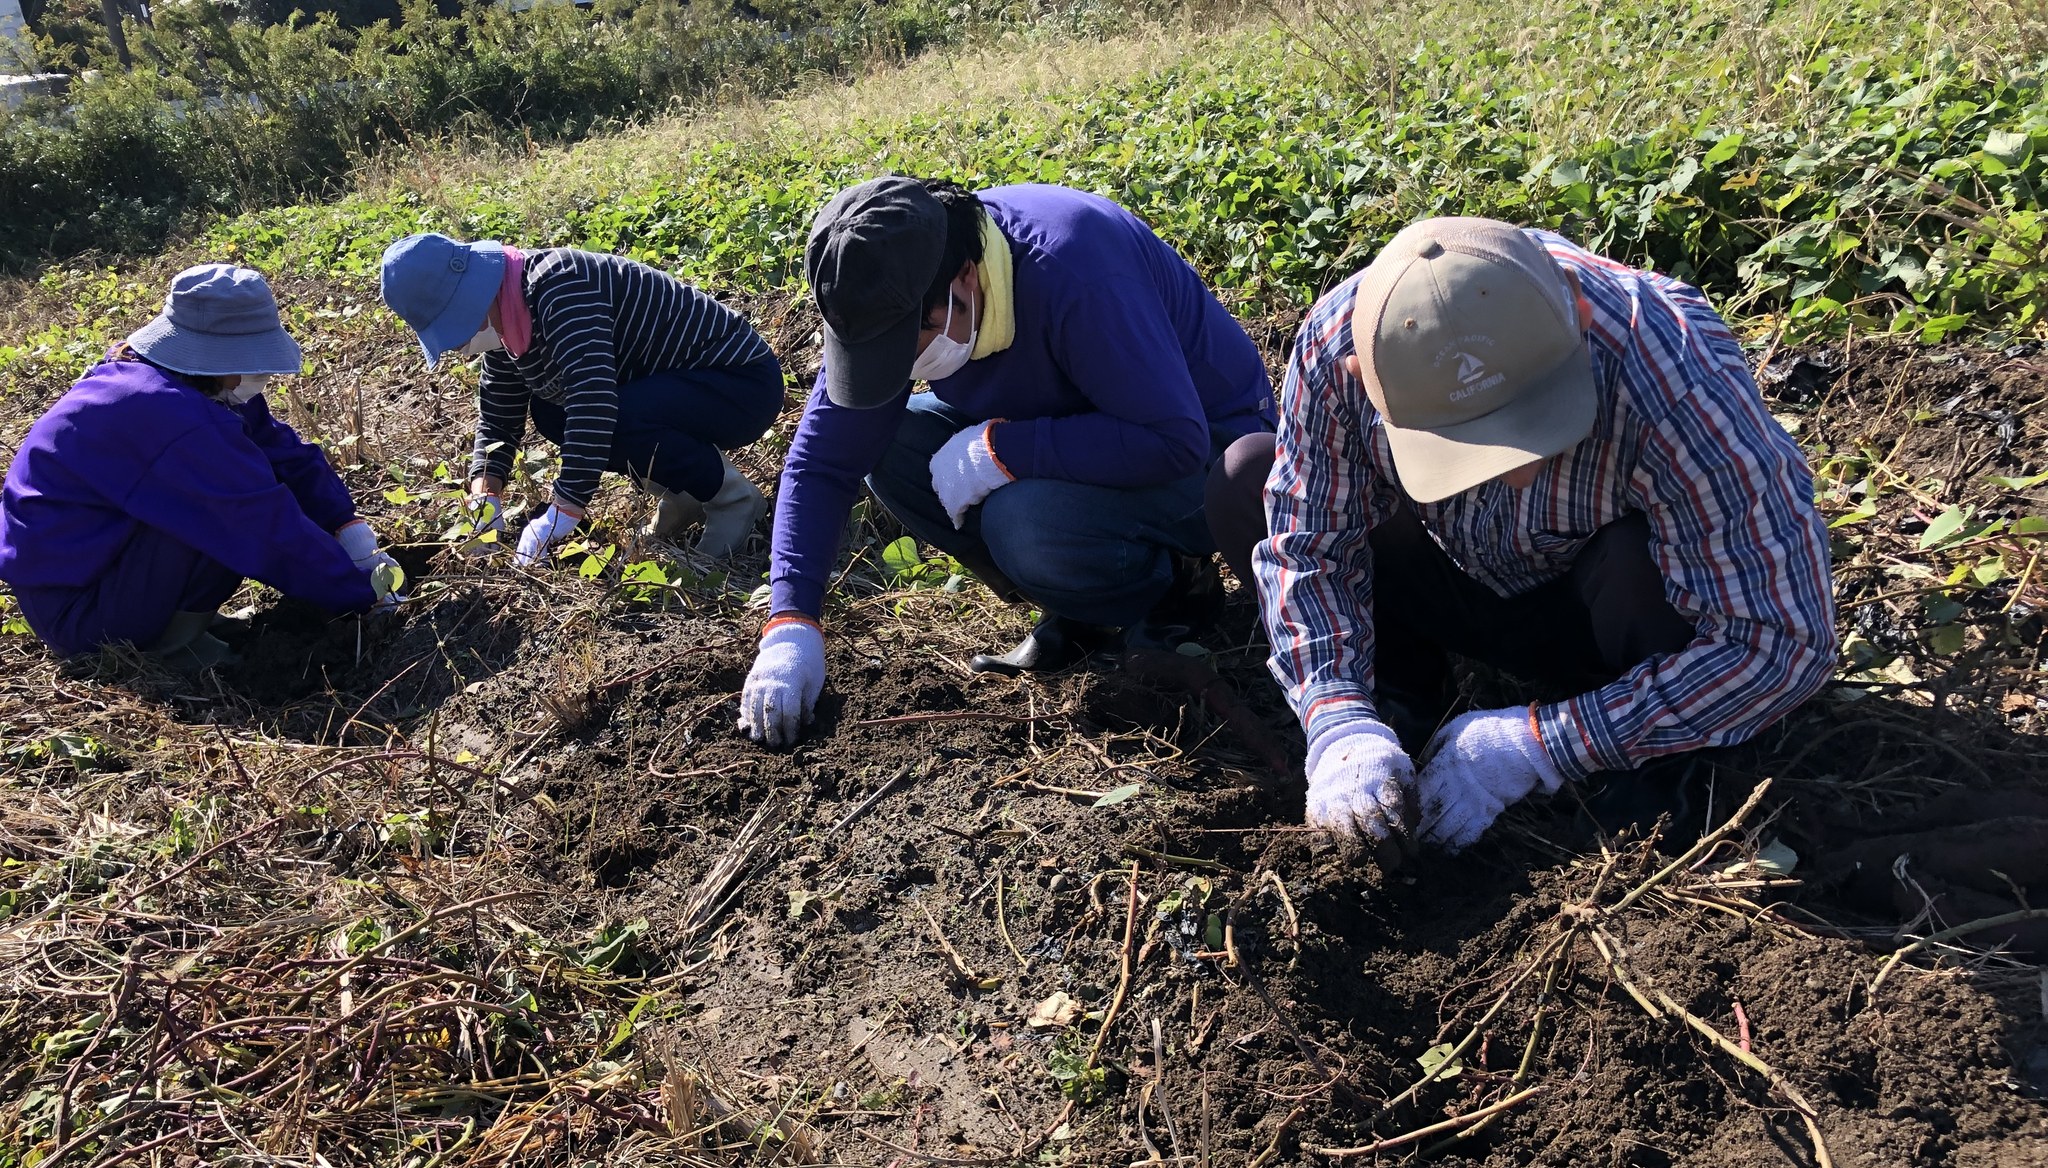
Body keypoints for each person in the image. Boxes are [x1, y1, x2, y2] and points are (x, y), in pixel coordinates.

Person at [1212, 217, 1834, 853]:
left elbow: (1783, 644)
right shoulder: (1343, 352)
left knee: (1634, 561)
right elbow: (1311, 546)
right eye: (1461, 442)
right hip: (1456, 577)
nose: (1513, 471)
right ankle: (1399, 712)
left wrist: (1544, 744)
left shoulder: (1669, 361)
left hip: (1604, 614)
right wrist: (1338, 718)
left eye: (1537, 422)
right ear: (1363, 380)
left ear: (1582, 317)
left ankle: (1650, 763)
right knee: (1247, 478)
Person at [737, 176, 1278, 748]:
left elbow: (1174, 438)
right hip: (1077, 432)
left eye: (907, 345)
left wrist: (1004, 450)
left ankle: (1173, 588)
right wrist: (790, 622)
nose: (899, 364)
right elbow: (822, 462)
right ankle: (1081, 605)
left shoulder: (1073, 269)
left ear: (966, 278)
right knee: (888, 445)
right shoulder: (886, 283)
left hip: (1209, 454)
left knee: (1022, 519)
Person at [0, 264, 401, 670]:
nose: (261, 373)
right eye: (255, 360)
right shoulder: (166, 416)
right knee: (219, 517)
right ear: (218, 357)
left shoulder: (186, 381)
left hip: (105, 569)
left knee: (239, 478)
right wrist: (364, 595)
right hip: (82, 612)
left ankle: (182, 621)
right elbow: (259, 525)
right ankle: (166, 647)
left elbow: (282, 453)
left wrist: (345, 524)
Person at [379, 234, 784, 565]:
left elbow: (595, 400)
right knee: (552, 412)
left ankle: (733, 500)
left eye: (450, 327)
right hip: (675, 390)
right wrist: (485, 496)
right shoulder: (505, 314)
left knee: (608, 414)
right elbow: (498, 416)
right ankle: (682, 498)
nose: (455, 346)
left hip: (737, 384)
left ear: (467, 299)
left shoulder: (558, 287)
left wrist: (564, 509)